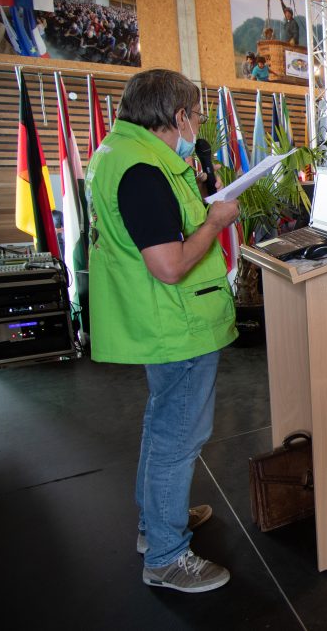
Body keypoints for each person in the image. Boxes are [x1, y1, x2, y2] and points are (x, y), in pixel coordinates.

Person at [86, 69, 239, 592]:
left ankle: (157, 526)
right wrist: (216, 222)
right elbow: (170, 265)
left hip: (161, 321)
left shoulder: (118, 152)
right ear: (178, 117)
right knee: (179, 437)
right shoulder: (142, 170)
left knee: (162, 428)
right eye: (196, 115)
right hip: (177, 323)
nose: (198, 124)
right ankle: (167, 557)